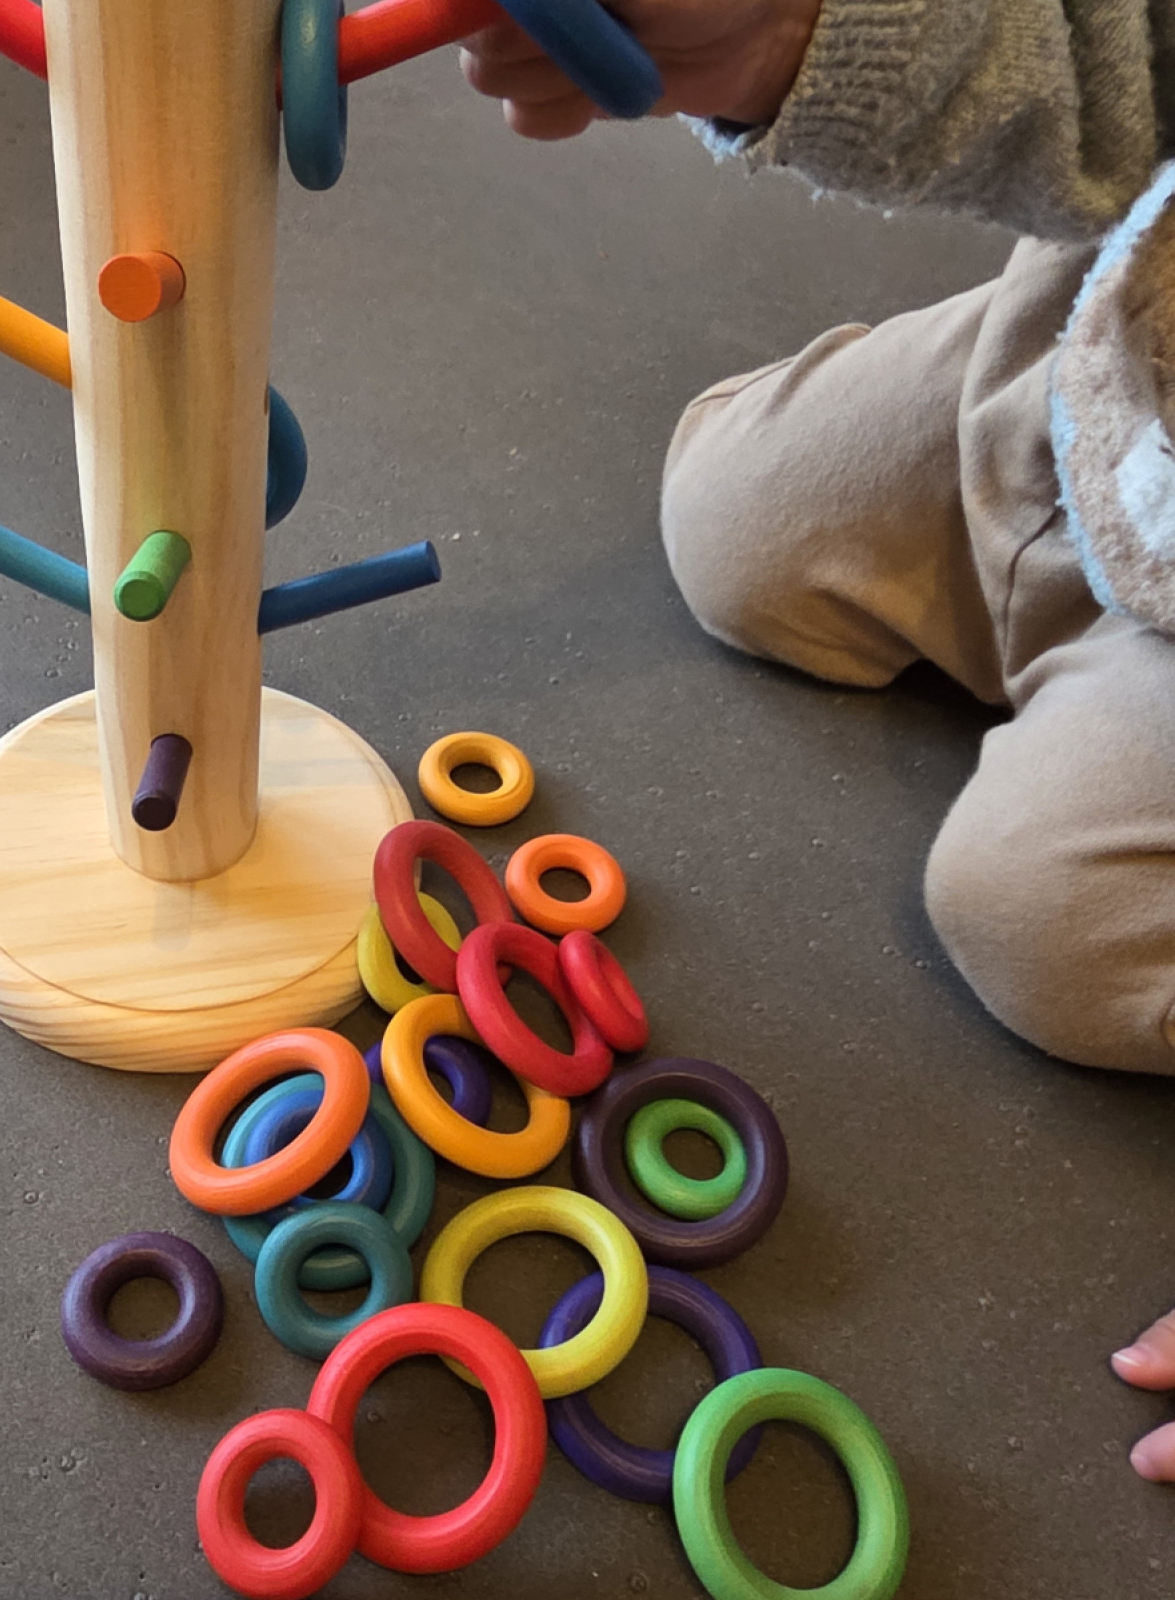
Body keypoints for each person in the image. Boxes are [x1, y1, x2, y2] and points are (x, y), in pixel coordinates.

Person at [460, 0, 1175, 1481]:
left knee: (1039, 912)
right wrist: (796, 34)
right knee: (733, 518)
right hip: (1107, 358)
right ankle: (1043, 623)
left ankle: (1088, 710)